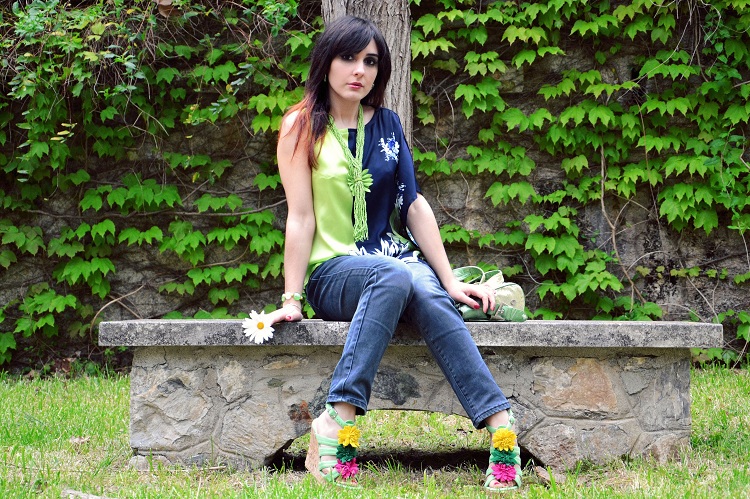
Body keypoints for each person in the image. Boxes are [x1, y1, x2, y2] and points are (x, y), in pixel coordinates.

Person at [266, 15, 522, 493]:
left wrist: (449, 280)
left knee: (424, 289)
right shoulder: (300, 126)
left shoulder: (386, 124)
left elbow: (413, 204)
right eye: (348, 58)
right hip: (333, 273)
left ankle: (501, 427)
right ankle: (338, 418)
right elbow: (300, 217)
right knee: (394, 275)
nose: (358, 70)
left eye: (370, 62)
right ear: (325, 62)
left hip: (394, 262)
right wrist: (291, 298)